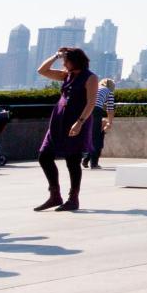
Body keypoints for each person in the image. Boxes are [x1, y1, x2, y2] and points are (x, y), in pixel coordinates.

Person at [34, 47, 98, 211]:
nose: (64, 63)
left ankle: (73, 199)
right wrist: (56, 55)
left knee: (72, 161)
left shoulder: (90, 78)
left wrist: (79, 122)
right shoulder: (66, 75)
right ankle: (55, 195)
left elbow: (91, 103)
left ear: (75, 61)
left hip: (76, 121)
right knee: (44, 156)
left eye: (66, 60)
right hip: (58, 121)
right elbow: (42, 70)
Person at [82, 78, 116, 170]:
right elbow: (110, 109)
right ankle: (94, 163)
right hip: (95, 110)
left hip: (84, 109)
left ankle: (86, 159)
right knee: (96, 137)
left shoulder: (95, 87)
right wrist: (110, 122)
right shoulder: (109, 91)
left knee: (91, 136)